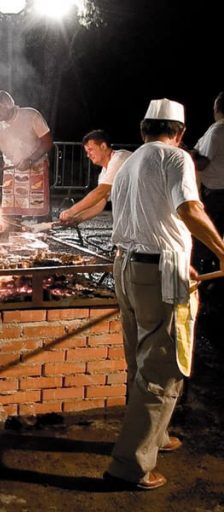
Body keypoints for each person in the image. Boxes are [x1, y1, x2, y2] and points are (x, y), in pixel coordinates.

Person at [106, 98, 224, 490]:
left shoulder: (128, 164)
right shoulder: (176, 159)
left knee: (141, 361)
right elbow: (188, 209)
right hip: (157, 273)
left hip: (126, 267)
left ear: (144, 129)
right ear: (180, 133)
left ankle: (153, 436)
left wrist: (178, 255)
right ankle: (131, 466)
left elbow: (149, 219)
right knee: (163, 368)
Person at [0, 90, 53, 220]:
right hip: (12, 170)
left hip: (36, 167)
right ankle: (13, 234)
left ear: (8, 105)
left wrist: (30, 159)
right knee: (11, 216)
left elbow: (47, 141)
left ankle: (44, 233)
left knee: (40, 212)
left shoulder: (31, 115)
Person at [59, 129, 131, 225]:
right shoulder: (104, 173)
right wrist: (77, 219)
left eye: (90, 150)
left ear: (103, 146)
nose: (88, 155)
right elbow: (99, 205)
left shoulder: (118, 158)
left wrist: (71, 211)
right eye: (86, 152)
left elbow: (100, 192)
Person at [191, 91, 224, 271]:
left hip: (215, 193)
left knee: (205, 237)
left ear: (217, 108)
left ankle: (204, 279)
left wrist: (189, 156)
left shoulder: (217, 130)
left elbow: (202, 163)